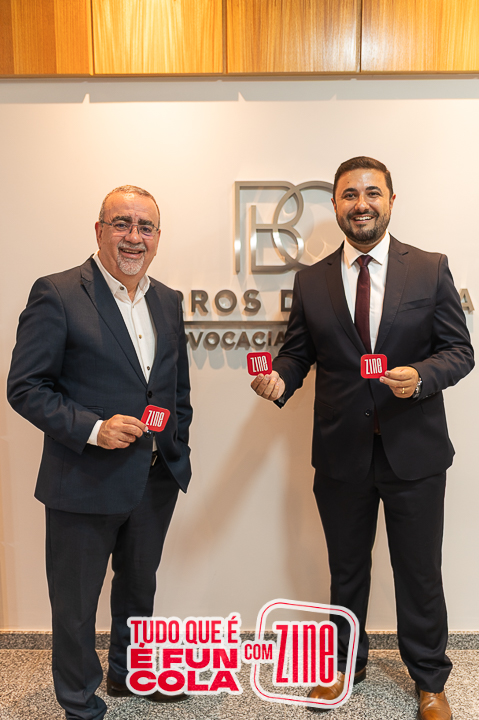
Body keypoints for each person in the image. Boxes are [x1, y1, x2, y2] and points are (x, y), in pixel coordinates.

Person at [251, 157, 473, 720]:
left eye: (373, 193)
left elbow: (459, 351)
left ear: (392, 200)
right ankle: (344, 666)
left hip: (414, 452)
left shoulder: (430, 268)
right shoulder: (312, 280)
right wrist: (280, 380)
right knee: (346, 569)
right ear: (335, 205)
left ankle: (430, 681)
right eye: (350, 194)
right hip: (341, 452)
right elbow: (298, 353)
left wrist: (422, 376)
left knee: (419, 572)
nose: (362, 204)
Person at [8, 185, 192, 720]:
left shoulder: (167, 300)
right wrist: (93, 429)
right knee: (76, 603)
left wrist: (177, 444)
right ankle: (78, 701)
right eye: (122, 223)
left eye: (145, 227)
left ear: (157, 237)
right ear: (99, 230)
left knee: (138, 590)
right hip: (83, 478)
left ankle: (129, 673)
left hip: (154, 478)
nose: (134, 237)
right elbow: (26, 387)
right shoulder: (59, 293)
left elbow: (174, 388)